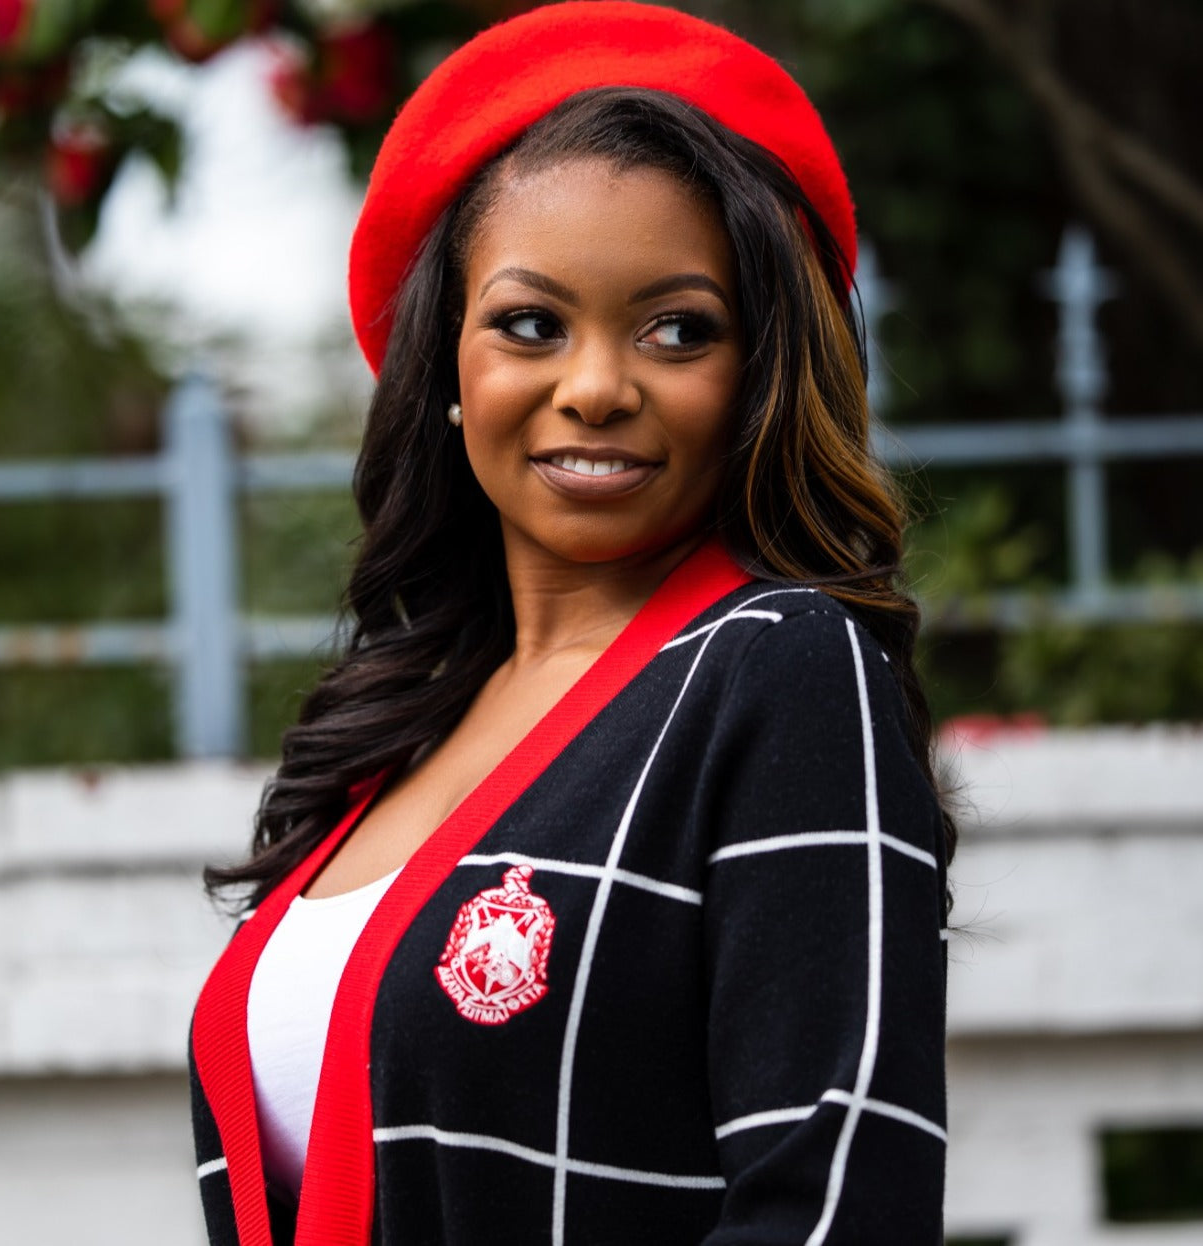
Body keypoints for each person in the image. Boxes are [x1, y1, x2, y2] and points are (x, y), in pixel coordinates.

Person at [189, 4, 956, 1244]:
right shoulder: (396, 726)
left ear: (757, 372)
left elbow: (832, 1206)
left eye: (678, 330)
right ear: (446, 368)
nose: (596, 388)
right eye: (531, 323)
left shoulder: (780, 672)